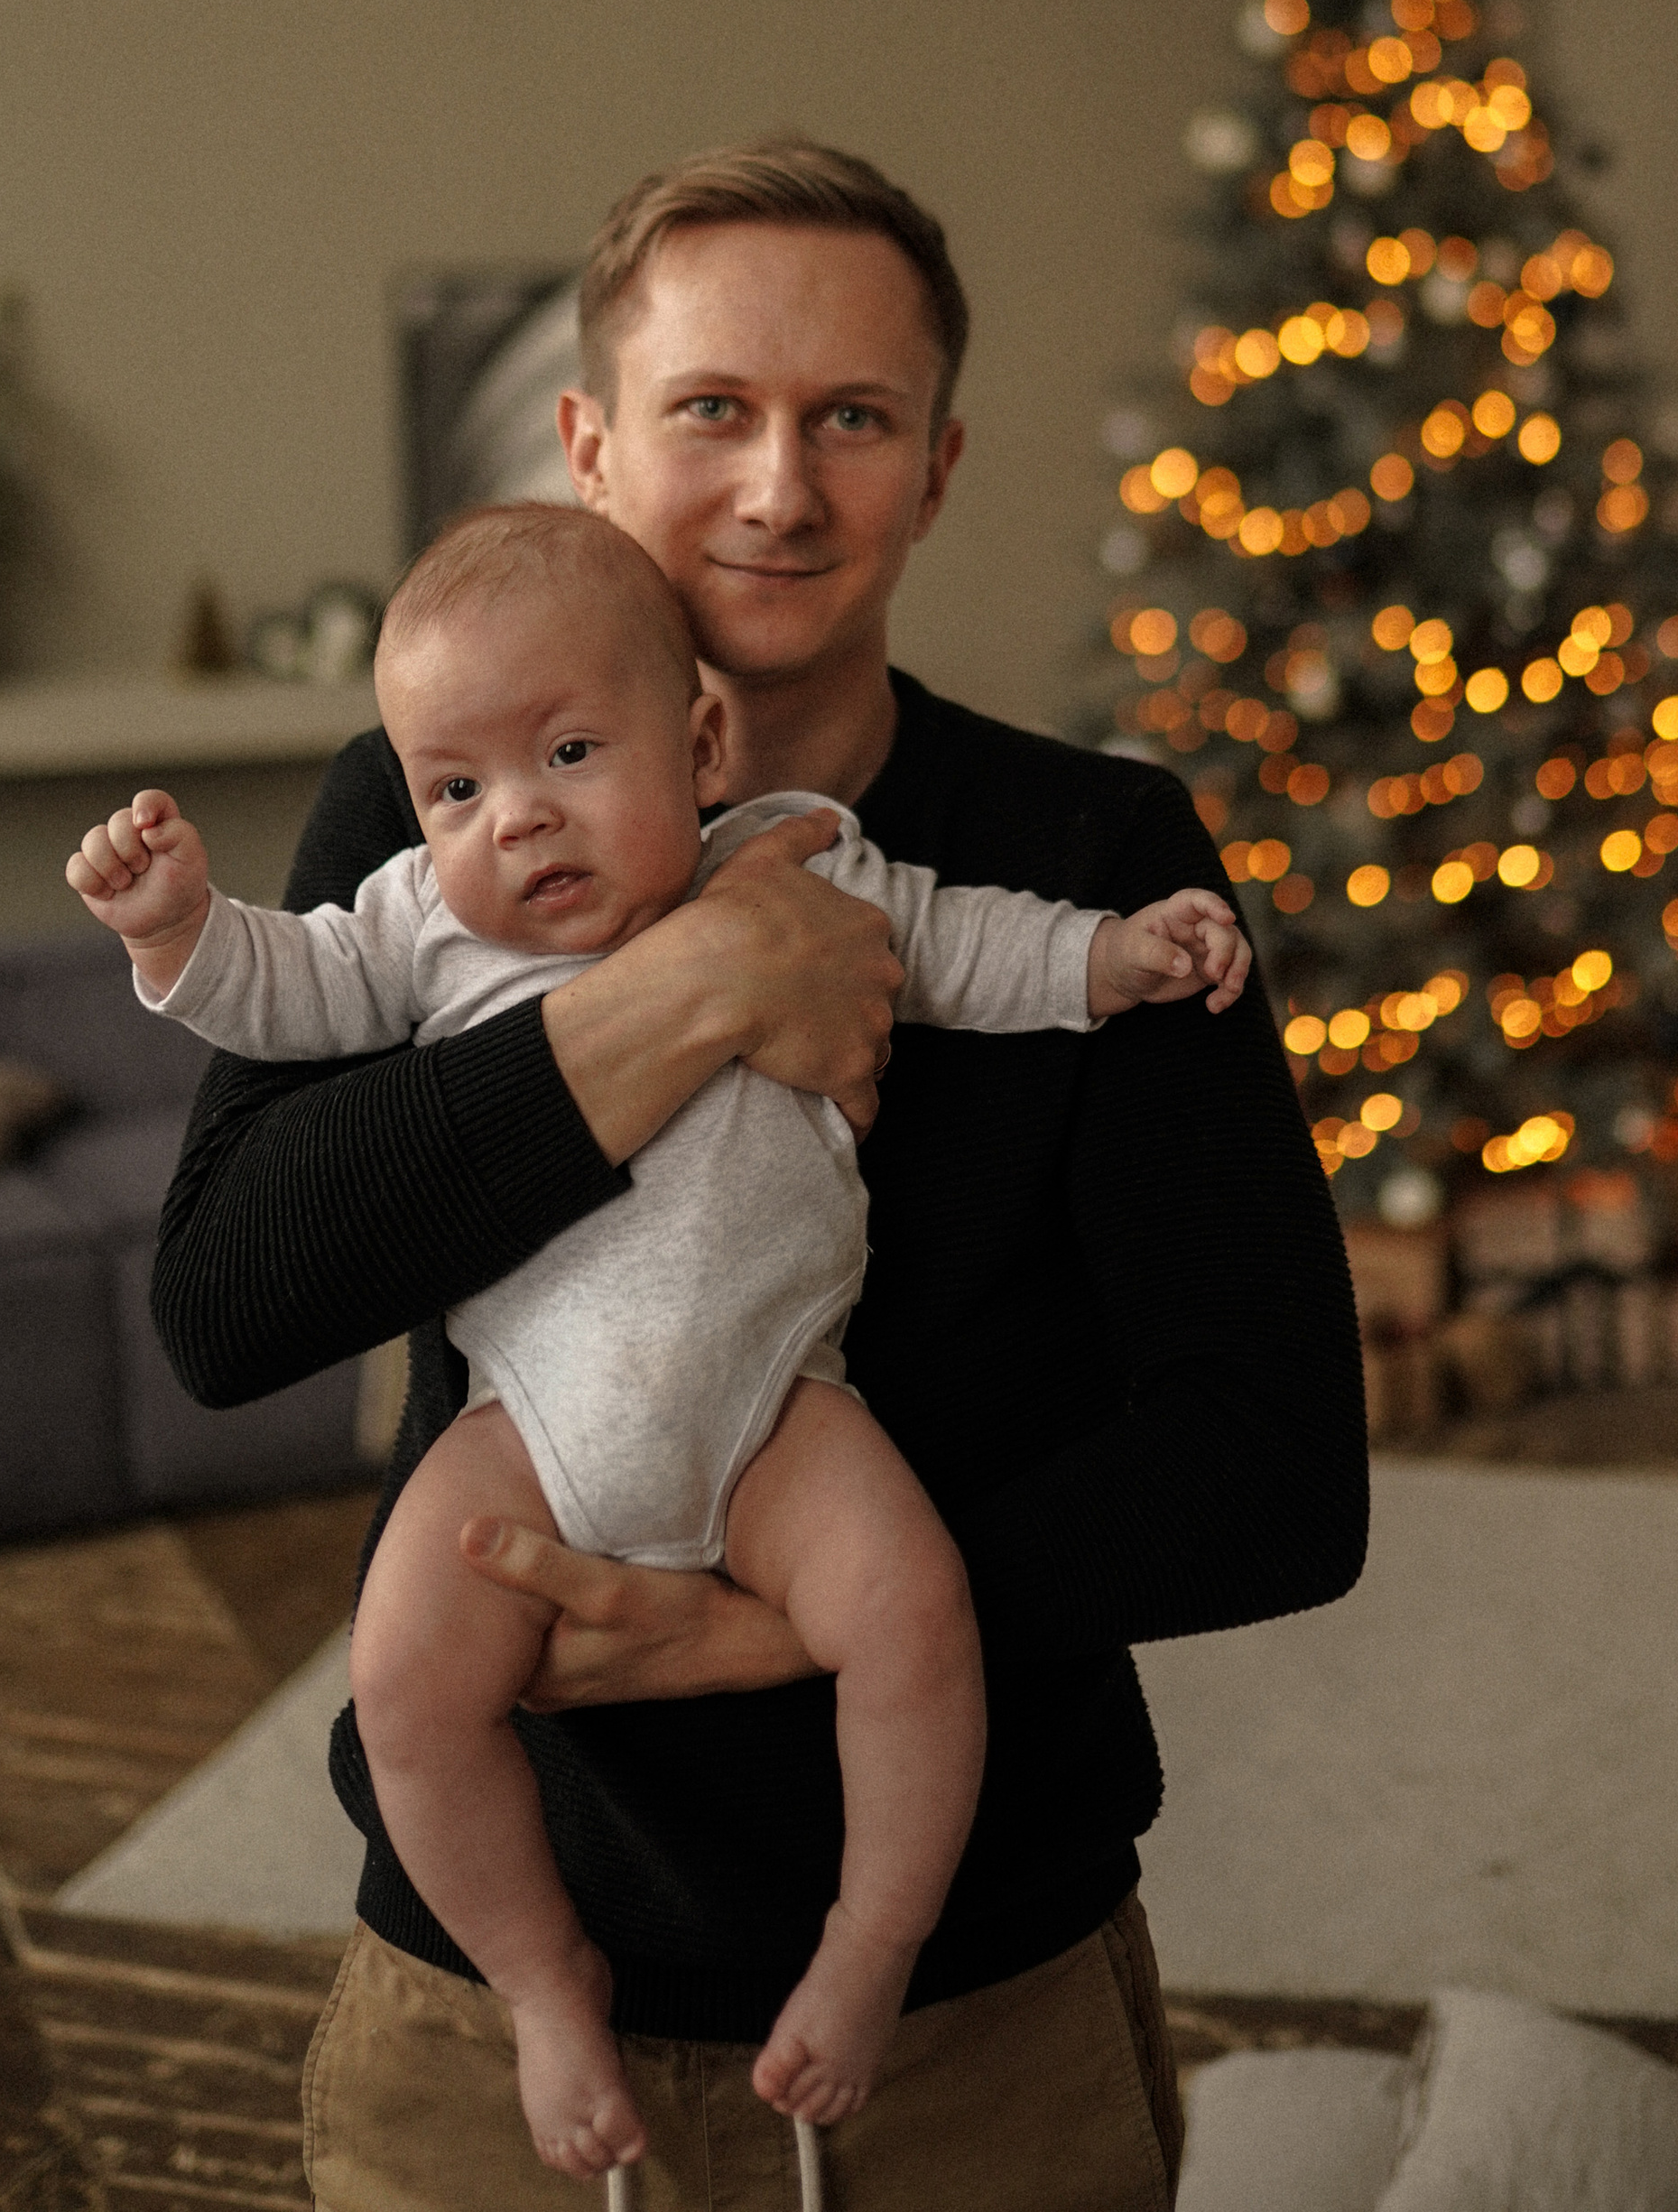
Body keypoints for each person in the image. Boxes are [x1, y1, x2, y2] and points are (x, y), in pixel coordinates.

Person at [151, 138, 1368, 2212]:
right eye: (711, 409)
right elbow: (229, 1307)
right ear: (588, 444)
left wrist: (777, 1626)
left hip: (977, 2012)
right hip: (481, 2000)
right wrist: (691, 989)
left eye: (852, 421)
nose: (779, 490)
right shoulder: (425, 811)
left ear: (938, 463)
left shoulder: (1087, 853)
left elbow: (1276, 1475)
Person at [70, 501, 1249, 2177]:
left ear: (695, 743)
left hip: (778, 1410)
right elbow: (287, 993)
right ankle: (546, 1985)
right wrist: (176, 933)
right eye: (459, 788)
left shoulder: (807, 859)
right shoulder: (420, 923)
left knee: (912, 1621)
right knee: (405, 1680)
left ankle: (867, 1956)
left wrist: (1115, 956)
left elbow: (968, 945)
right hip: (532, 1427)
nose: (518, 819)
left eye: (566, 752)